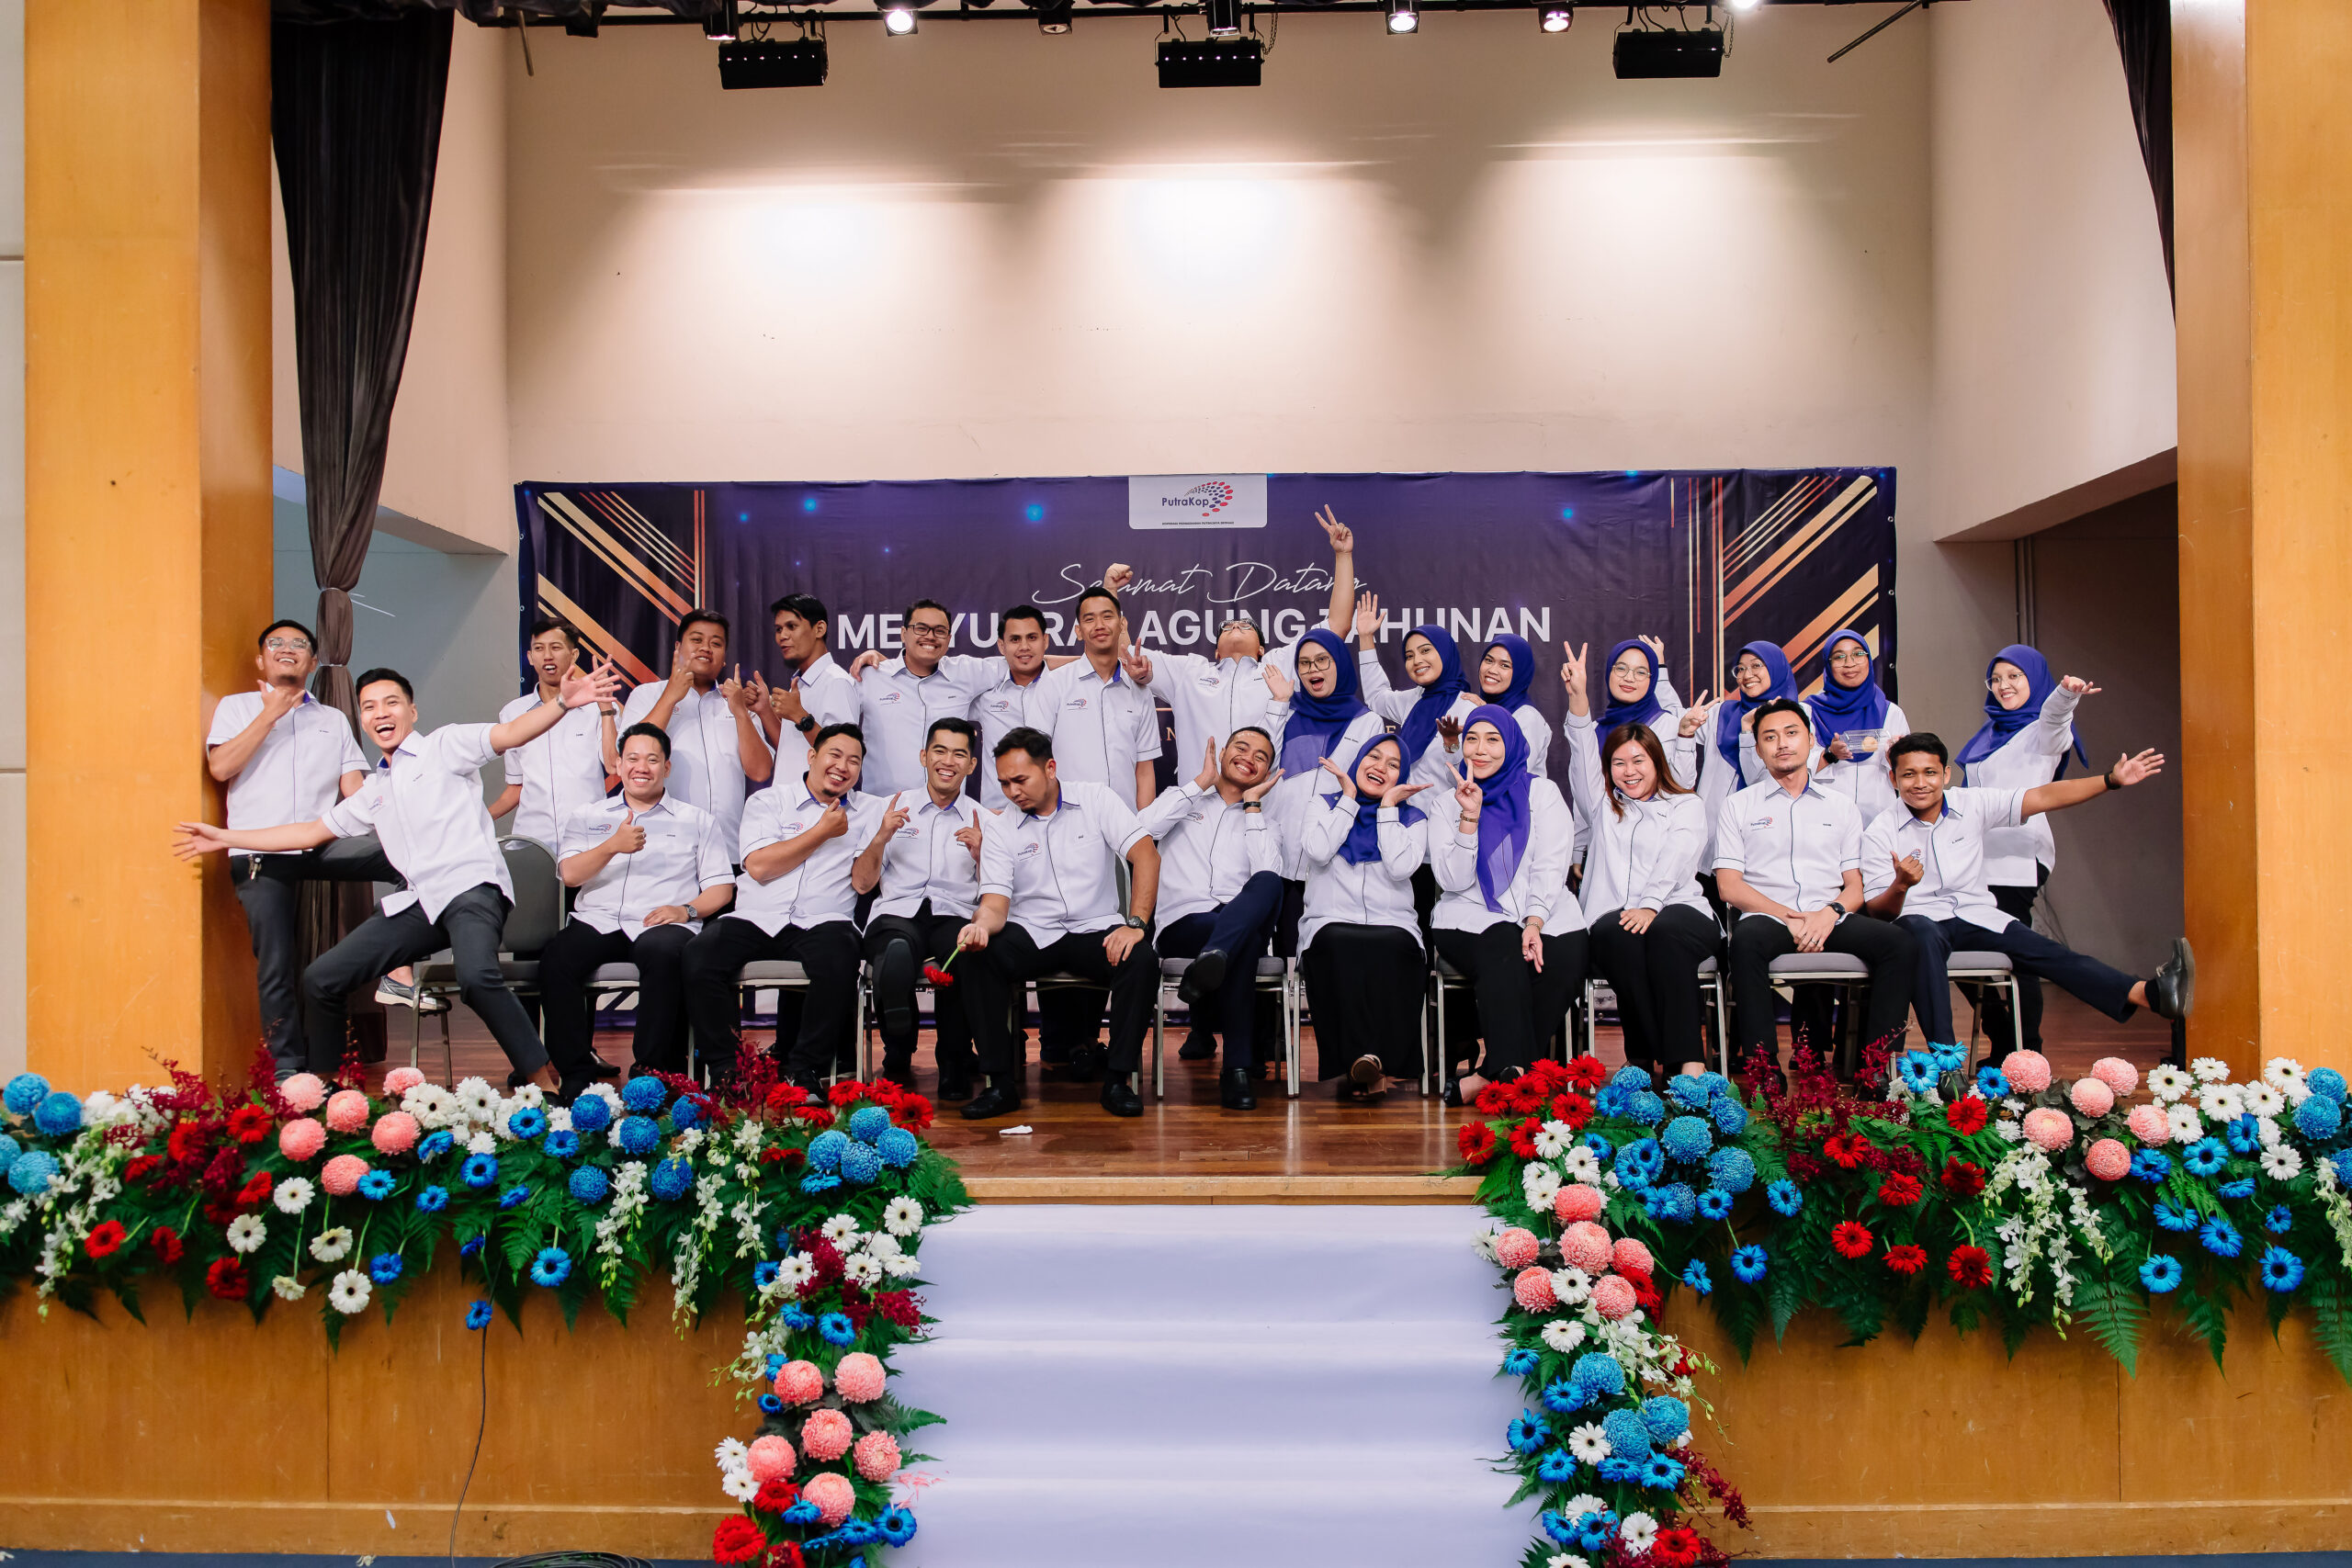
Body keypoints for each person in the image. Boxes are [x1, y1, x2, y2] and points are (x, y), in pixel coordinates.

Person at [175, 660, 625, 1087]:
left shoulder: (444, 747)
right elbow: (310, 831)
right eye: (369, 707)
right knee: (320, 979)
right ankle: (330, 1093)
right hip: (421, 903)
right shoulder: (374, 790)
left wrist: (563, 702)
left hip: (472, 890)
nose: (380, 713)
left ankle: (543, 1082)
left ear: (412, 711)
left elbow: (509, 733)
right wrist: (225, 836)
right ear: (363, 721)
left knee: (476, 978)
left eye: (391, 703)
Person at [1861, 732, 2193, 1053]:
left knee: (2044, 949)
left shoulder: (1972, 803)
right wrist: (1901, 885)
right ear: (1893, 779)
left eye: (1930, 772)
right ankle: (1945, 1060)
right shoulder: (1880, 831)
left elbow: (2044, 796)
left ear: (1946, 775)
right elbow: (1878, 910)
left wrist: (2111, 780)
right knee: (1921, 933)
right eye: (1909, 774)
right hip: (1919, 922)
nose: (1920, 783)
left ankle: (2146, 993)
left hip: (1975, 916)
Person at [203, 619, 397, 1077]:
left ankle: (397, 964)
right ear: (261, 660)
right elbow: (220, 767)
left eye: (299, 644)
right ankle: (287, 1069)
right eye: (276, 643)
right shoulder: (236, 707)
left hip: (318, 844)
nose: (287, 648)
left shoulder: (332, 719)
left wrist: (404, 805)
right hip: (259, 852)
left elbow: (355, 789)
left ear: (312, 662)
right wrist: (270, 714)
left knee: (406, 858)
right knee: (276, 963)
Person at [954, 728, 1162, 1122]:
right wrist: (980, 925)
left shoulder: (1096, 799)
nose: (1012, 792)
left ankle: (1117, 1080)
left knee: (1141, 960)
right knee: (977, 956)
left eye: (1020, 780)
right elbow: (995, 903)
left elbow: (1146, 855)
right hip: (1033, 931)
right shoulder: (999, 827)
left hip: (1095, 927)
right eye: (1004, 783)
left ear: (1050, 768)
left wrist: (1136, 924)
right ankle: (1000, 1084)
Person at [1714, 697, 1918, 1071]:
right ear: (1758, 749)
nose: (1782, 744)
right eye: (1770, 737)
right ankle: (1764, 1069)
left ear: (1810, 740)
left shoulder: (1841, 806)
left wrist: (1829, 913)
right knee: (1744, 943)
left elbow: (1855, 885)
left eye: (1791, 733)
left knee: (1899, 943)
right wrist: (1789, 917)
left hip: (1829, 916)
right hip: (1768, 917)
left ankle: (1875, 1068)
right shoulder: (1738, 806)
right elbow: (1728, 887)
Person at [537, 724, 734, 1098]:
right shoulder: (586, 815)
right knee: (557, 960)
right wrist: (611, 845)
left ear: (667, 767)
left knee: (662, 953)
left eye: (652, 760)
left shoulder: (696, 820)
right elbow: (570, 875)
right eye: (632, 758)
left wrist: (687, 909)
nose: (641, 767)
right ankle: (576, 1073)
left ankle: (652, 1071)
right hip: (598, 919)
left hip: (661, 922)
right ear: (617, 764)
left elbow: (722, 887)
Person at [681, 724, 876, 1089]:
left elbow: (866, 880)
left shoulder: (871, 810)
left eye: (854, 761)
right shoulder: (768, 802)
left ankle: (805, 1070)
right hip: (756, 917)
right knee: (699, 955)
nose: (842, 767)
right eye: (834, 755)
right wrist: (822, 831)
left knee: (841, 955)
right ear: (812, 756)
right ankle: (727, 1069)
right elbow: (759, 867)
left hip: (823, 921)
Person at [1100, 503, 1362, 772]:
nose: (1236, 625)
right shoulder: (1189, 671)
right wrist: (1110, 591)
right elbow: (1124, 652)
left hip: (1263, 796)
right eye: (1227, 626)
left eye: (1246, 624)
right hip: (1198, 796)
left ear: (1261, 649)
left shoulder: (1278, 665)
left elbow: (1337, 627)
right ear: (1216, 652)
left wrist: (1343, 555)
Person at [1559, 645, 1718, 1080]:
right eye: (1618, 763)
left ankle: (1687, 1064)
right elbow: (1581, 749)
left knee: (1664, 932)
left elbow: (1677, 855)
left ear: (1656, 760)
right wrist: (1578, 697)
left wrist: (1650, 904)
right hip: (1615, 915)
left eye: (1638, 761)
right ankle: (1645, 1062)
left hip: (1680, 910)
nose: (1629, 771)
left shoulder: (1684, 804)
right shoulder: (1601, 807)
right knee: (1618, 932)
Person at [1431, 706, 1583, 1103]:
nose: (1480, 749)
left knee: (1565, 955)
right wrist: (1469, 818)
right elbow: (1452, 881)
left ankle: (1493, 1074)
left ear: (1512, 743)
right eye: (1472, 739)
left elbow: (1551, 864)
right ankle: (1517, 1070)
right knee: (1501, 943)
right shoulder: (1445, 804)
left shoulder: (1542, 793)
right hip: (1469, 914)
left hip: (1545, 910)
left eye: (1492, 739)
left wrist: (1534, 921)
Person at [1951, 645, 2096, 1053]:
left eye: (2014, 676)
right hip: (1976, 858)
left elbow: (2056, 717)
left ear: (2035, 679)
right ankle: (2005, 1042)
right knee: (1955, 943)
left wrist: (2066, 694)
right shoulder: (1991, 731)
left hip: (2016, 858)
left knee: (2016, 952)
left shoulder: (2041, 732)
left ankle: (2025, 1051)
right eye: (1996, 679)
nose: (2003, 686)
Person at [1135, 730, 1289, 1110]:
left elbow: (1267, 872)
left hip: (1238, 921)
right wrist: (1200, 783)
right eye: (1241, 748)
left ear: (1267, 772)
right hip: (1183, 924)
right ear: (1222, 753)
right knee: (1243, 945)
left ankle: (1214, 957)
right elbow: (1140, 831)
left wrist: (1252, 807)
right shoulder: (1182, 800)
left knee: (1269, 883)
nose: (1249, 758)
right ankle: (1236, 1069)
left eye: (1261, 757)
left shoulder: (1266, 822)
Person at [852, 716, 989, 1099]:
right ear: (924, 756)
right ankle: (898, 1045)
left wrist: (982, 856)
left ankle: (954, 1063)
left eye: (959, 754)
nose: (948, 761)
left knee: (965, 955)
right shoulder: (890, 808)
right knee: (894, 947)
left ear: (971, 765)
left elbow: (995, 893)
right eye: (939, 751)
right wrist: (881, 837)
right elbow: (862, 883)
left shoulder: (985, 819)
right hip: (897, 912)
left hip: (955, 914)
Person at [1298, 734, 1431, 1100]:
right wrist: (1348, 800)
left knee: (1394, 946)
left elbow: (1401, 867)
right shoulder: (1324, 805)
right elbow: (1318, 851)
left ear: (1402, 777)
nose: (1380, 767)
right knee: (1338, 942)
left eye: (1393, 765)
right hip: (1329, 920)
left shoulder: (1413, 818)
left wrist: (1388, 808)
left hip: (1394, 923)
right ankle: (1369, 1063)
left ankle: (1367, 1062)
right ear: (1358, 760)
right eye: (1374, 757)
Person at [618, 609, 775, 852]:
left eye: (716, 643)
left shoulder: (736, 702)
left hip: (726, 848)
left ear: (724, 657)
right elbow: (630, 754)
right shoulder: (647, 695)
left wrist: (740, 712)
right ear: (678, 647)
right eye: (697, 640)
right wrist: (671, 696)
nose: (706, 648)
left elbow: (760, 772)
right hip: (662, 848)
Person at [1363, 618, 1556, 787]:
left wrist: (1456, 741)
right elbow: (1376, 697)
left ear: (1445, 653)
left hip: (1464, 813)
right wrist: (1365, 637)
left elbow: (1494, 774)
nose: (1417, 660)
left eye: (1426, 650)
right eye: (1409, 656)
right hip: (1406, 813)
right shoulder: (1414, 699)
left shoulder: (1471, 709)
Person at [847, 600, 1006, 798]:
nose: (930, 636)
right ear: (904, 633)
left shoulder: (965, 673)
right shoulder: (871, 677)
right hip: (884, 808)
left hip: (947, 809)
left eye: (939, 631)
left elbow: (1022, 661)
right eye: (921, 628)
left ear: (949, 638)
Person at [1683, 640, 1811, 885]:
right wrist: (1660, 670)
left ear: (1775, 668)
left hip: (1771, 843)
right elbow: (1669, 724)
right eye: (1740, 669)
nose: (1747, 675)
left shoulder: (1798, 716)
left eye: (1756, 666)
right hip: (1713, 841)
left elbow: (1759, 779)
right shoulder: (1721, 713)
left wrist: (1748, 732)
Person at [490, 616, 621, 852]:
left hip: (588, 838)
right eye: (539, 649)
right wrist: (480, 817)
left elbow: (613, 765)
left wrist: (605, 710)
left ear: (574, 655)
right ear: (530, 657)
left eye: (556, 647)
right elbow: (516, 787)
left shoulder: (599, 707)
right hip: (531, 841)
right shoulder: (512, 713)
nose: (547, 656)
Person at [1038, 585, 1162, 809]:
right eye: (1089, 619)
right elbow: (1036, 759)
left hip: (1126, 824)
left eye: (1107, 617)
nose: (1099, 625)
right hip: (1068, 821)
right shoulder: (1054, 684)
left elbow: (1144, 771)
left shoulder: (1140, 691)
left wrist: (1143, 826)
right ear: (1078, 631)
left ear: (1122, 625)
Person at [752, 593, 864, 814]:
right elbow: (791, 748)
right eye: (778, 629)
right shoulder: (800, 684)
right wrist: (765, 710)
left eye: (791, 626)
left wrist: (800, 716)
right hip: (788, 807)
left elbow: (843, 754)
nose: (782, 636)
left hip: (816, 811)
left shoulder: (836, 682)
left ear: (819, 629)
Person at [968, 604, 1069, 811]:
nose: (1024, 646)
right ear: (1001, 646)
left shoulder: (1067, 688)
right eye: (1015, 639)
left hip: (1057, 812)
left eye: (1032, 638)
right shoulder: (984, 694)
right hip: (999, 813)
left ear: (1045, 641)